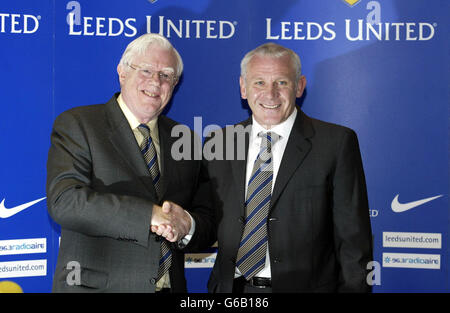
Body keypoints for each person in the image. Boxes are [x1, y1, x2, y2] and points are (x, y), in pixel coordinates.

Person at [46, 33, 213, 293]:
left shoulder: (186, 139)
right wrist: (149, 214)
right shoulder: (79, 124)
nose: (156, 82)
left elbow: (207, 220)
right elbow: (65, 202)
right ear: (122, 72)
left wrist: (187, 225)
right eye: (146, 70)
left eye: (166, 75)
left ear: (175, 84)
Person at [205, 42, 373, 293]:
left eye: (281, 82)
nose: (270, 94)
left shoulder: (335, 143)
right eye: (259, 82)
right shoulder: (219, 143)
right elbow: (205, 219)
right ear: (243, 87)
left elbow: (354, 242)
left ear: (299, 86)